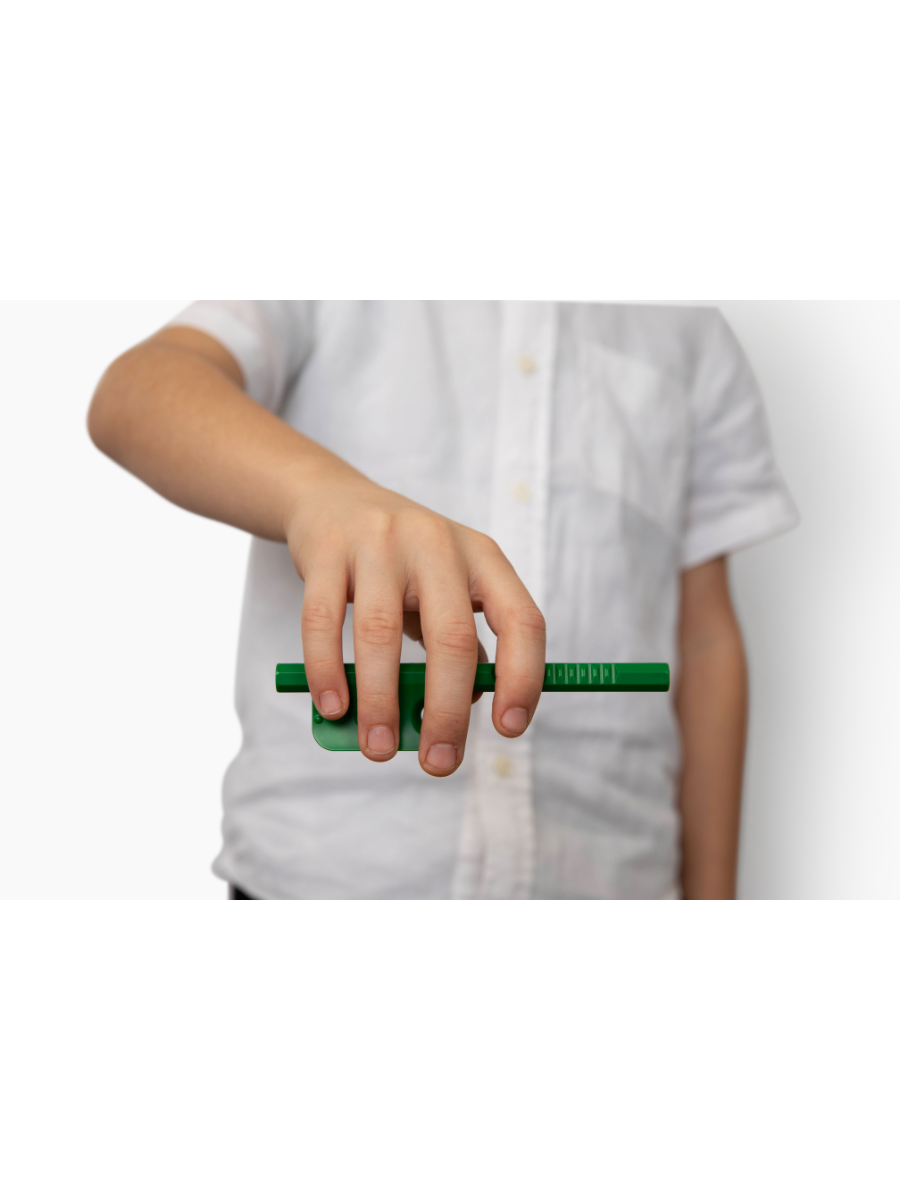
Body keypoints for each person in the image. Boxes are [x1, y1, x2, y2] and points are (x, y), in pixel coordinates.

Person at [87, 301, 798, 899]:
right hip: (318, 880)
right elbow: (136, 390)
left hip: (611, 880)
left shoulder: (691, 329)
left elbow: (705, 640)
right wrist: (319, 496)